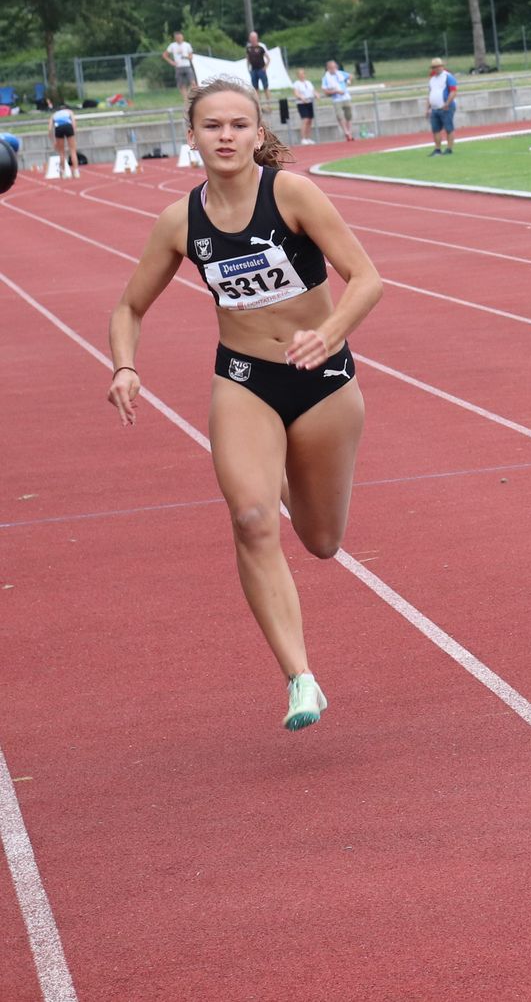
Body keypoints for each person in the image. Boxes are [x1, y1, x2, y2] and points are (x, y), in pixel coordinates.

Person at [106, 78, 383, 730]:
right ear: (193, 136)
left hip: (322, 380)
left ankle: (286, 472)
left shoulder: (290, 193)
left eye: (238, 124)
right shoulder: (181, 221)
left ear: (259, 135)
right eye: (212, 126)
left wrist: (330, 331)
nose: (225, 136)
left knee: (320, 540)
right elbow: (128, 306)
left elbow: (367, 278)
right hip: (243, 380)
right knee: (253, 516)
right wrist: (124, 365)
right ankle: (300, 678)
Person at [426, 57, 458, 155]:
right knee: (435, 129)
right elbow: (430, 94)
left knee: (448, 128)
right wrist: (427, 108)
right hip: (435, 108)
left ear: (442, 67)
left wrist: (447, 103)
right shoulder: (432, 79)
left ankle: (449, 148)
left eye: (438, 66)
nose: (437, 68)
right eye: (434, 67)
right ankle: (437, 149)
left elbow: (453, 91)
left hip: (446, 107)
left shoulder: (448, 77)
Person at [320, 60, 356, 141]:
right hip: (336, 99)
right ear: (328, 68)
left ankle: (349, 131)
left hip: (346, 97)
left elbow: (350, 76)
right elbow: (325, 91)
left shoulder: (340, 73)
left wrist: (348, 81)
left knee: (349, 115)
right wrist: (335, 91)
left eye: (335, 67)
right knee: (340, 116)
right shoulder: (326, 78)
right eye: (332, 67)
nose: (334, 69)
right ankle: (346, 132)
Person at [49, 103, 78, 178]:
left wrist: (53, 141)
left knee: (61, 152)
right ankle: (75, 171)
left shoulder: (54, 114)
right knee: (72, 150)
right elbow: (74, 123)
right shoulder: (69, 112)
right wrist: (73, 134)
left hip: (58, 128)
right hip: (68, 127)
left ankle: (63, 173)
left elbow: (49, 129)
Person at [165, 31, 196, 98]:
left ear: (182, 37)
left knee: (193, 83)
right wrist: (171, 62)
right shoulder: (172, 45)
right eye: (177, 37)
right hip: (178, 67)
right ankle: (186, 100)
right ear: (175, 38)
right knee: (181, 85)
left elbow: (191, 57)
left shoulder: (187, 45)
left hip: (187, 66)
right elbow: (165, 55)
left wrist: (185, 56)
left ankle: (189, 96)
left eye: (180, 37)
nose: (179, 38)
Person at [291, 73, 317, 146]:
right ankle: (303, 138)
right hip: (302, 103)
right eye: (301, 74)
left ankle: (308, 137)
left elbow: (313, 91)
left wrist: (316, 94)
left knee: (310, 120)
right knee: (305, 120)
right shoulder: (296, 84)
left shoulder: (308, 82)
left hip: (309, 102)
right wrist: (302, 98)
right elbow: (296, 93)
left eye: (303, 74)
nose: (302, 75)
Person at [244, 32, 270, 97]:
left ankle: (269, 104)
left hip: (261, 69)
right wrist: (248, 68)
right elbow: (247, 59)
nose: (252, 39)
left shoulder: (261, 47)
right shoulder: (248, 48)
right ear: (249, 38)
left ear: (256, 38)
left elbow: (268, 58)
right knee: (255, 88)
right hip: (253, 70)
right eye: (251, 38)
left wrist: (265, 67)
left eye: (254, 38)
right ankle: (258, 104)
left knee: (265, 87)